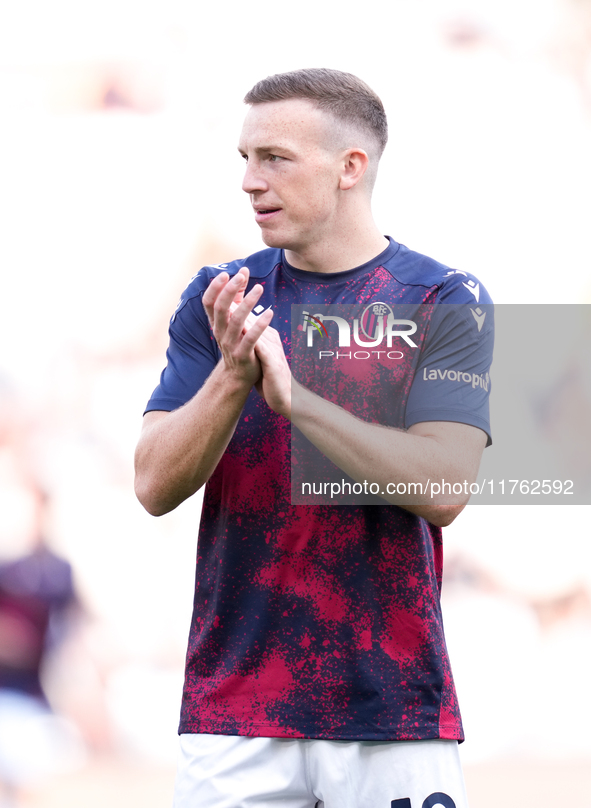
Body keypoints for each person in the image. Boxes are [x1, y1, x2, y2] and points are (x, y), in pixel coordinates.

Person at [135, 68, 493, 808]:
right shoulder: (221, 296)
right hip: (236, 711)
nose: (248, 181)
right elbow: (152, 486)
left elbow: (443, 488)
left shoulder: (443, 298)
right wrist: (233, 377)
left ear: (349, 168)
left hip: (390, 709)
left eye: (274, 157)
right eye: (244, 158)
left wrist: (298, 402)